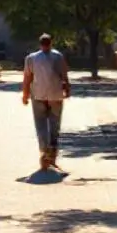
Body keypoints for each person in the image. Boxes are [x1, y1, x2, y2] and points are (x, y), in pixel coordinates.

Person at [22, 33, 71, 173]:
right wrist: (67, 89)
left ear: (40, 43)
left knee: (41, 125)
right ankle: (52, 155)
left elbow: (27, 78)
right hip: (55, 96)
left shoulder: (31, 58)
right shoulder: (58, 56)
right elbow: (64, 75)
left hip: (38, 95)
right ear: (51, 43)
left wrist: (25, 95)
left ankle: (44, 152)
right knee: (55, 125)